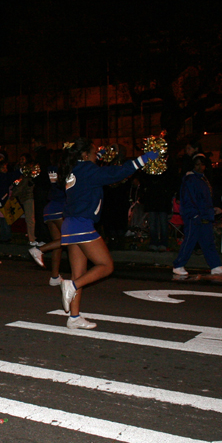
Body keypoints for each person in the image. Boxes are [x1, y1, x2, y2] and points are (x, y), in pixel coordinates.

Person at [57, 139, 158, 330]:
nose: (97, 157)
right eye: (95, 154)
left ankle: (74, 317)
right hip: (81, 224)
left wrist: (101, 154)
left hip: (70, 224)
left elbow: (92, 171)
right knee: (106, 265)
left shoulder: (74, 170)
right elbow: (116, 173)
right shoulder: (87, 169)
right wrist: (141, 160)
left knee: (79, 272)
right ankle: (71, 286)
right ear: (86, 155)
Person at [172, 153, 222, 277]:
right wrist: (195, 214)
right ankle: (178, 264)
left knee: (207, 241)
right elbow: (190, 199)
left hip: (203, 214)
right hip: (195, 215)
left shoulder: (202, 179)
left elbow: (203, 199)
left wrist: (211, 210)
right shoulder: (191, 179)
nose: (200, 167)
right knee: (190, 240)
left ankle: (215, 265)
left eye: (202, 164)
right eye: (197, 164)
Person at [28, 149, 66, 285]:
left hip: (49, 208)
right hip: (59, 207)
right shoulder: (64, 171)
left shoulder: (51, 169)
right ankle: (39, 250)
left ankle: (54, 277)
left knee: (58, 243)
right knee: (70, 238)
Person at [11, 153, 41, 247]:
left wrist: (14, 193)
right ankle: (31, 238)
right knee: (29, 218)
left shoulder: (28, 171)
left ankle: (32, 238)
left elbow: (24, 184)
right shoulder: (19, 172)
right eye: (20, 159)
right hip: (24, 197)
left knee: (30, 218)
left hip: (28, 196)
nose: (21, 161)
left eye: (23, 159)